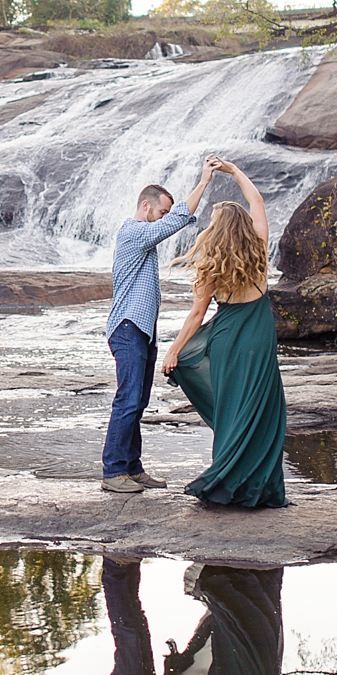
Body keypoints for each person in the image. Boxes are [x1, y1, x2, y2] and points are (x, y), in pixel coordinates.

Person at [159, 159, 288, 508]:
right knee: (262, 409)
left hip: (227, 340)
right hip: (259, 340)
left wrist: (174, 351)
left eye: (213, 221)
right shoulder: (259, 248)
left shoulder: (211, 264)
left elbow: (197, 314)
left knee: (232, 409)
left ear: (219, 230)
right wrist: (233, 171)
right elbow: (257, 202)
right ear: (243, 225)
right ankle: (259, 488)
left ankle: (225, 479)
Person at [101, 157, 215, 494]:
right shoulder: (133, 231)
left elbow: (174, 219)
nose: (164, 218)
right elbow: (177, 221)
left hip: (141, 330)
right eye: (161, 212)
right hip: (128, 327)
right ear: (146, 205)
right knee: (128, 400)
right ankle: (113, 472)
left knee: (138, 401)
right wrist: (204, 180)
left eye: (165, 214)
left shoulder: (142, 237)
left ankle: (132, 469)